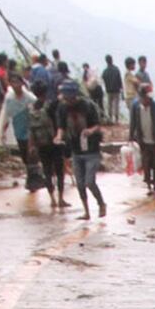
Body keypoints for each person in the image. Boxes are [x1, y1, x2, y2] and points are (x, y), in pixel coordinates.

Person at [56, 80, 106, 219]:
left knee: (89, 181)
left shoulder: (88, 106)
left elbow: (98, 125)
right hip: (76, 150)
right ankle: (87, 212)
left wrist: (90, 131)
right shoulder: (62, 108)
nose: (67, 100)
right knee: (79, 183)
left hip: (92, 150)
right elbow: (61, 126)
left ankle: (101, 203)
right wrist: (58, 136)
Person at [25, 79, 64, 210]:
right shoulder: (51, 106)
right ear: (46, 92)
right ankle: (60, 198)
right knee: (59, 171)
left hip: (41, 144)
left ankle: (52, 199)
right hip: (54, 142)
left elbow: (30, 129)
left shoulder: (31, 109)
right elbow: (59, 123)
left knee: (47, 171)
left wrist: (31, 145)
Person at [128, 82, 155, 196]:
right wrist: (131, 138)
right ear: (141, 97)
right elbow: (133, 124)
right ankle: (148, 185)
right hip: (143, 141)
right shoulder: (135, 107)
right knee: (145, 164)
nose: (147, 100)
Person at [0, 70, 37, 170]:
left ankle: (35, 173)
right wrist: (2, 132)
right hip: (18, 129)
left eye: (17, 82)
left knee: (31, 152)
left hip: (30, 129)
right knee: (23, 153)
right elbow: (5, 115)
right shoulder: (9, 98)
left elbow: (36, 113)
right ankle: (30, 173)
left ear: (22, 83)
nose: (15, 85)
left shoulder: (30, 98)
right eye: (13, 82)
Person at [102, 54, 123, 123]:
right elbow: (119, 79)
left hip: (109, 90)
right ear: (112, 60)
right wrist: (121, 88)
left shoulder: (105, 71)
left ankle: (110, 118)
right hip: (116, 90)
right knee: (116, 105)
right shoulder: (116, 69)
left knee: (110, 105)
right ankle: (116, 119)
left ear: (106, 61)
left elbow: (103, 79)